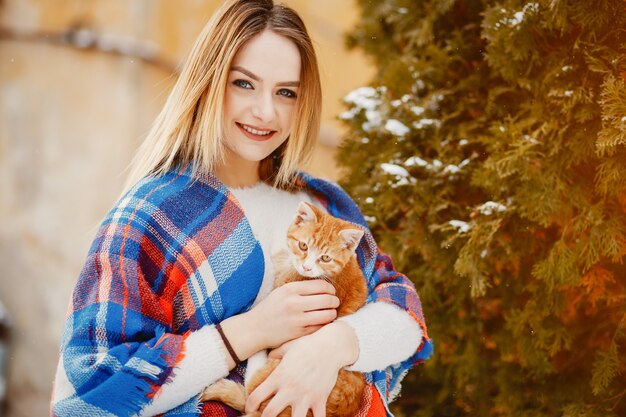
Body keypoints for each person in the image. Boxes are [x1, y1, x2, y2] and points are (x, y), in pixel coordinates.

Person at [50, 1, 433, 416]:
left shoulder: (320, 204)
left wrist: (333, 346)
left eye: (286, 92)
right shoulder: (152, 214)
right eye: (244, 84)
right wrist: (250, 331)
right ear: (210, 81)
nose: (265, 112)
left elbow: (403, 316)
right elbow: (90, 395)